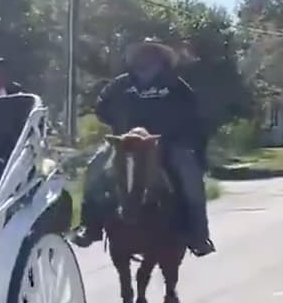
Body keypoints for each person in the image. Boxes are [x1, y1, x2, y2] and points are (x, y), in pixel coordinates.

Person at [72, 38, 215, 257]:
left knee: (190, 173)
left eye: (151, 53)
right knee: (95, 166)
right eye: (142, 54)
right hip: (124, 142)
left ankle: (199, 234)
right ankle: (89, 226)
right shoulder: (120, 84)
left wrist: (178, 131)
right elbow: (101, 106)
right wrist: (117, 123)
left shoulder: (174, 84)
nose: (145, 58)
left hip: (166, 143)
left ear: (160, 57)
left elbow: (193, 110)